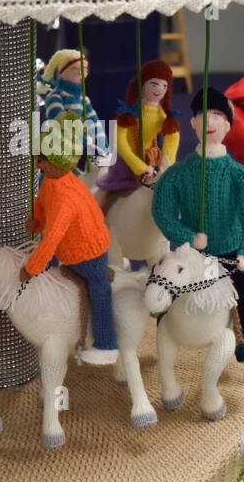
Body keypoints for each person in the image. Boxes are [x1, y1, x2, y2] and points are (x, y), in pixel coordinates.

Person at [151, 88, 244, 361]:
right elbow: (163, 212)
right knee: (165, 281)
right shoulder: (177, 174)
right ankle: (164, 327)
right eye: (202, 115)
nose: (209, 122)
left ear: (227, 125)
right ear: (193, 123)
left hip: (228, 253)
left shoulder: (238, 175)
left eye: (217, 115)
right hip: (191, 253)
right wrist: (187, 235)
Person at [24, 112, 118, 365]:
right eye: (38, 157)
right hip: (68, 247)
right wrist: (37, 219)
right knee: (51, 271)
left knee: (99, 289)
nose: (38, 163)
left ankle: (107, 343)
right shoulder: (53, 180)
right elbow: (43, 202)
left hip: (89, 253)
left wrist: (32, 267)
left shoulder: (67, 198)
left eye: (43, 159)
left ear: (58, 163)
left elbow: (52, 238)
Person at [94, 59, 180, 213]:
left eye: (164, 86)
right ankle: (91, 216)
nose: (159, 89)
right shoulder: (128, 114)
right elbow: (120, 143)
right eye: (154, 84)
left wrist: (165, 165)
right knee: (105, 190)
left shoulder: (162, 116)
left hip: (149, 161)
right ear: (143, 84)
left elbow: (172, 138)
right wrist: (140, 167)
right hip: (125, 162)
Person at [39, 48, 109, 173]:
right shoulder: (55, 96)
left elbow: (94, 123)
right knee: (53, 174)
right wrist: (84, 139)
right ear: (63, 71)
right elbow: (60, 120)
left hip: (73, 150)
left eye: (85, 70)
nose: (81, 73)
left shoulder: (83, 99)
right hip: (56, 146)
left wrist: (103, 148)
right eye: (76, 69)